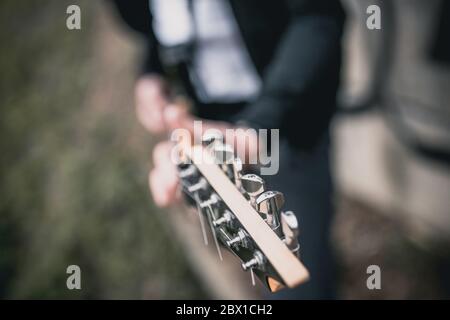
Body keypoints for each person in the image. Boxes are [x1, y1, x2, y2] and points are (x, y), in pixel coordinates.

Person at [112, 0, 345, 299]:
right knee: (268, 272)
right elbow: (154, 30)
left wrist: (256, 130)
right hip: (209, 123)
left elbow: (319, 15)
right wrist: (149, 74)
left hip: (285, 121)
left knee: (297, 282)